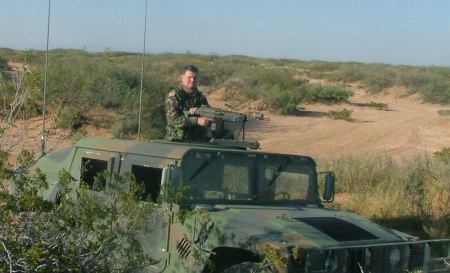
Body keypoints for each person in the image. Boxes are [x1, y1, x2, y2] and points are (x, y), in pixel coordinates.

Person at [165, 65, 211, 141]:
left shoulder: (200, 97)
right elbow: (173, 121)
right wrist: (196, 120)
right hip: (177, 140)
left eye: (195, 78)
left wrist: (201, 113)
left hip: (197, 140)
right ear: (182, 78)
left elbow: (209, 114)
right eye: (189, 77)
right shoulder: (174, 96)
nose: (192, 80)